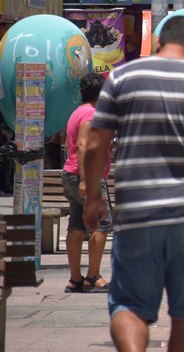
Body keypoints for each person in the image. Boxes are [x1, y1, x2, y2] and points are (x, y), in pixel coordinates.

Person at [82, 16, 184, 351]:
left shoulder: (122, 78)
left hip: (137, 214)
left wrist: (92, 198)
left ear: (157, 41)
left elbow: (94, 143)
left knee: (129, 305)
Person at [62, 73, 112, 293]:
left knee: (75, 225)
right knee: (102, 224)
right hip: (88, 176)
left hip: (70, 172)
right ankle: (93, 276)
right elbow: (82, 146)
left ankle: (75, 279)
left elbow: (67, 144)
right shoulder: (92, 115)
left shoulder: (76, 113)